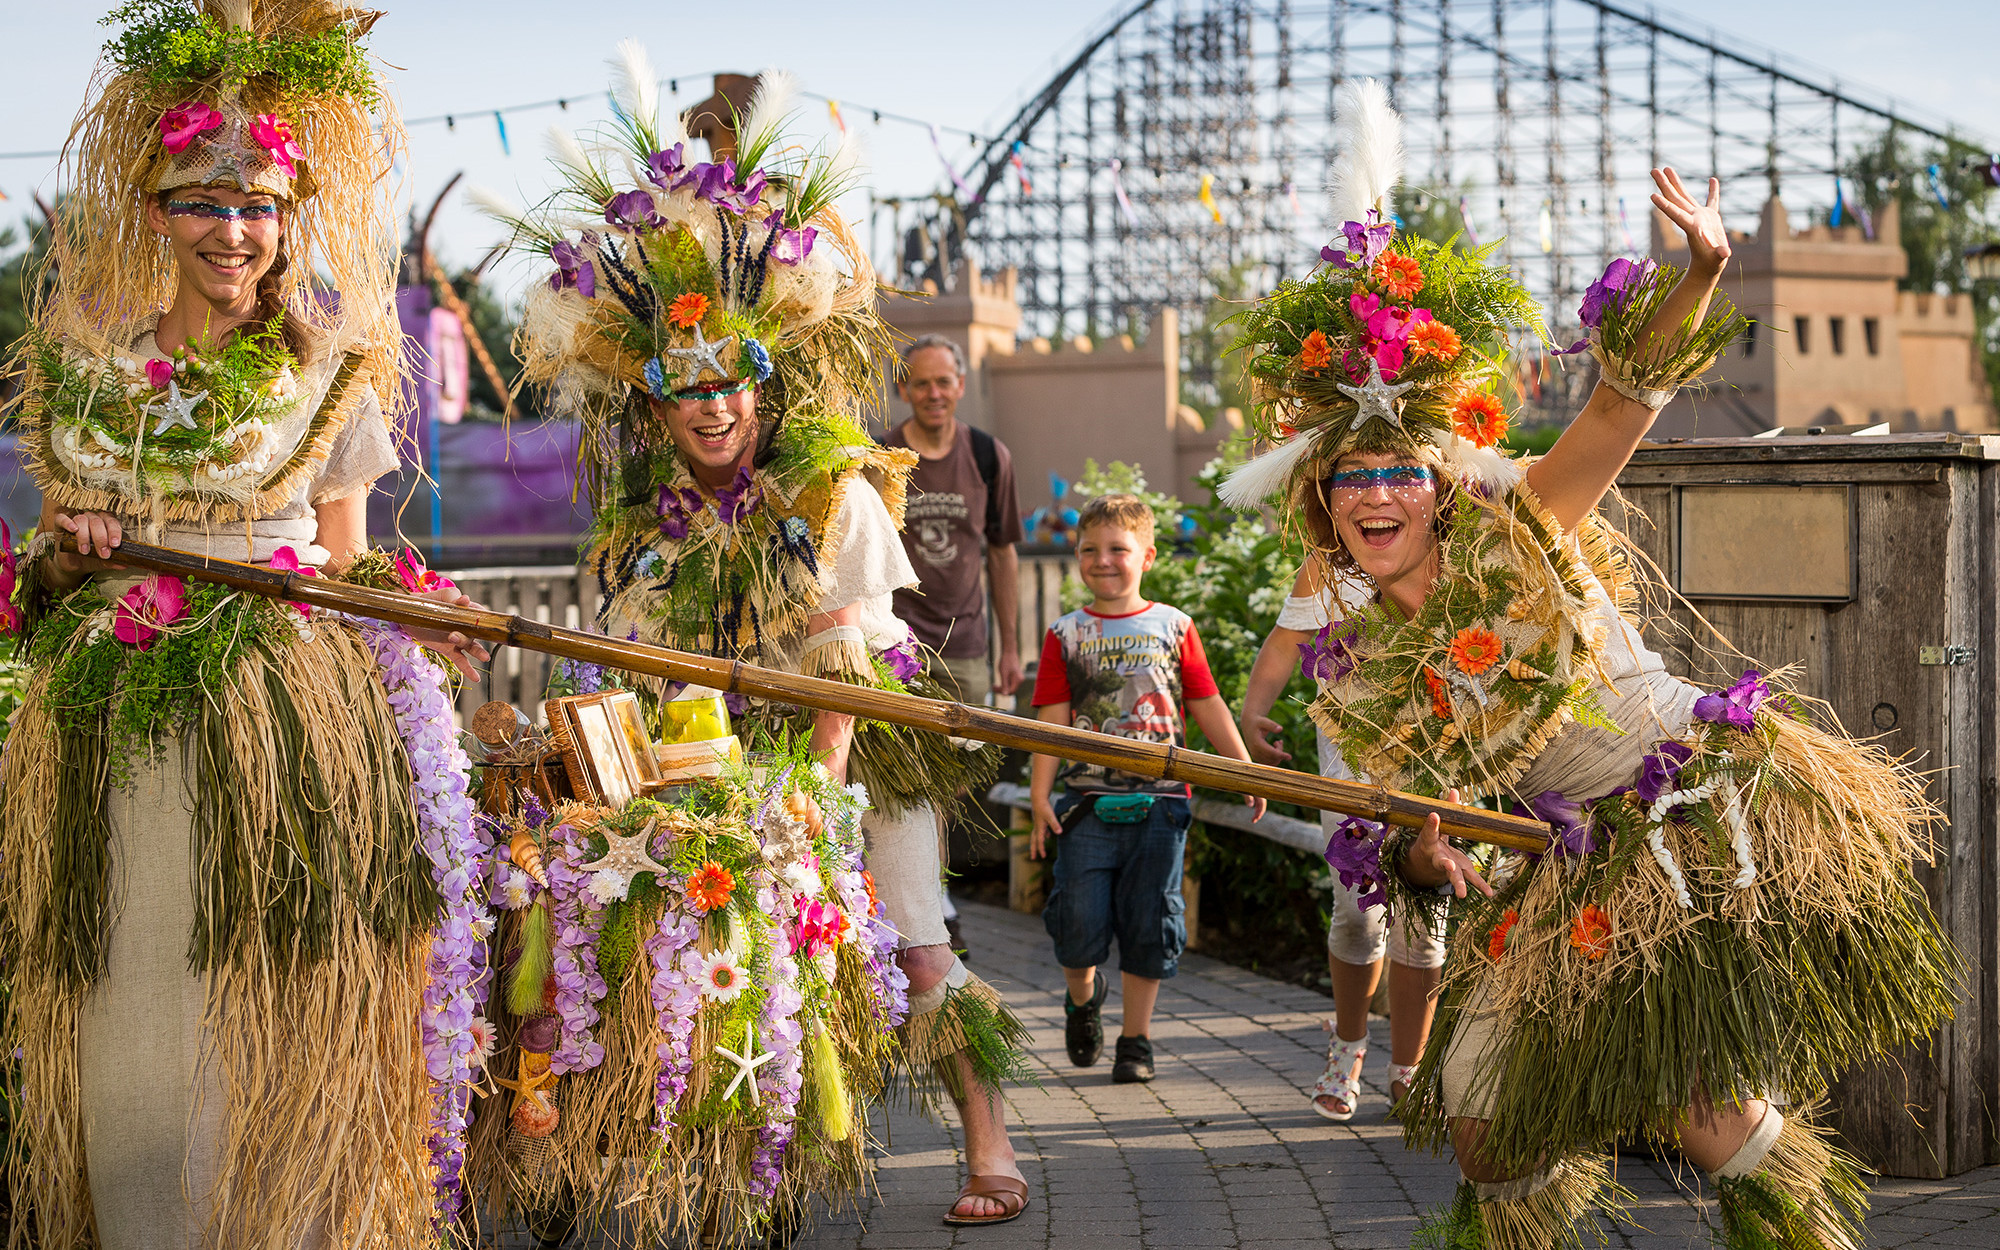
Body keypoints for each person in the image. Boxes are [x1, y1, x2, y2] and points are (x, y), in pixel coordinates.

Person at [1218, 80, 1957, 1250]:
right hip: (1545, 866)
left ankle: (1814, 1232)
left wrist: (1699, 277)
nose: (1374, 494)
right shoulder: (1354, 670)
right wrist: (1425, 841)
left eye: (1397, 471)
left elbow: (1616, 408)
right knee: (1484, 1124)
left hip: (1670, 807)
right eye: (1349, 477)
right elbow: (1420, 817)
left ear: (1436, 481)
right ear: (1319, 502)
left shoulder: (1520, 531)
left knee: (1689, 1097)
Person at [492, 54, 1034, 1229]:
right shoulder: (644, 522)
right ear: (655, 405)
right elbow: (628, 665)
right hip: (714, 754)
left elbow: (845, 664)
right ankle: (667, 1159)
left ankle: (988, 1141)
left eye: (732, 378)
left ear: (763, 383)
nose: (713, 405)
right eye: (685, 387)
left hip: (852, 743)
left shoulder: (834, 489)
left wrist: (811, 801)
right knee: (667, 921)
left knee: (913, 937)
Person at [0, 6, 493, 1246]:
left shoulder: (327, 372)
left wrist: (418, 611)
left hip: (287, 735)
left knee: (273, 1009)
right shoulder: (89, 381)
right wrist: (72, 550)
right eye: (204, 203)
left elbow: (342, 557)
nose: (235, 232)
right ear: (156, 213)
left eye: (260, 204)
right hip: (111, 739)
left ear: (289, 218)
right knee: (127, 1008)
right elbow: (45, 576)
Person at [1027, 494, 1265, 1084]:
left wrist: (1242, 768)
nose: (1103, 561)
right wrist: (1039, 797)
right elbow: (1052, 717)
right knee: (1076, 926)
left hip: (1161, 804)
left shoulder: (1174, 626)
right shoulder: (1066, 633)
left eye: (1118, 549)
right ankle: (1083, 999)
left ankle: (1136, 1041)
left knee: (1149, 920)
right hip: (1085, 806)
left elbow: (1205, 702)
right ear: (1077, 555)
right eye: (1090, 550)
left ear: (1148, 556)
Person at [1241, 571, 1445, 1121]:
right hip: (1349, 781)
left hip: (1437, 770)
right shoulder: (1329, 567)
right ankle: (1348, 1046)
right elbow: (1287, 640)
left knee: (1425, 925)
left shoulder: (1458, 555)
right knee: (1358, 917)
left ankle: (1410, 1068)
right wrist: (1252, 709)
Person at [883, 334, 1027, 705]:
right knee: (901, 759)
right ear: (903, 389)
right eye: (921, 383)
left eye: (944, 382)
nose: (934, 394)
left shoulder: (988, 456)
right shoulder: (882, 458)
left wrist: (1009, 649)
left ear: (960, 385)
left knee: (968, 754)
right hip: (893, 643)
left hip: (964, 650)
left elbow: (1002, 553)